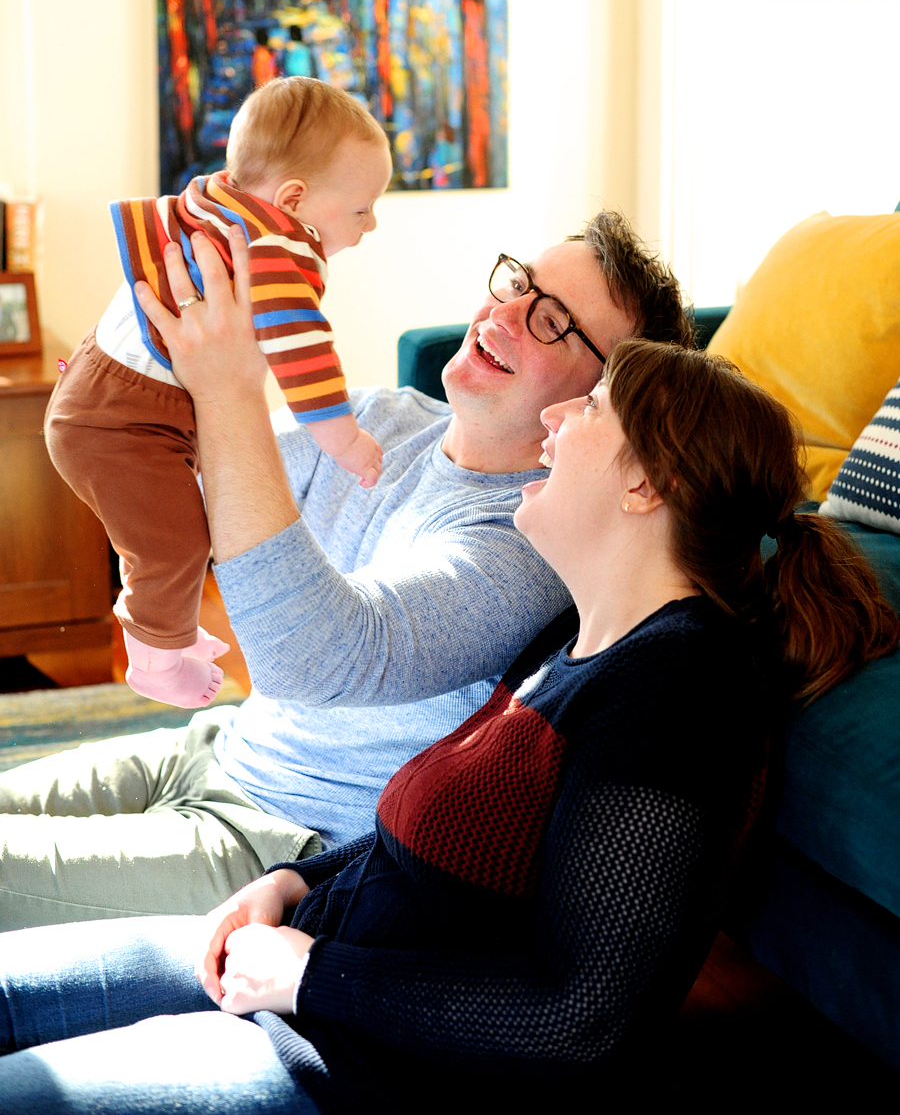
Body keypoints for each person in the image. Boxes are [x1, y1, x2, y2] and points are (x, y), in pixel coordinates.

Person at [2, 340, 895, 1112]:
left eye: (587, 405)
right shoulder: (576, 640)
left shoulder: (680, 693)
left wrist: (311, 976)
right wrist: (289, 879)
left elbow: (581, 1016)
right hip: (310, 964)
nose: (552, 419)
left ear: (646, 484)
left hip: (355, 1071)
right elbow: (434, 849)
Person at [0, 211, 691, 931]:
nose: (505, 311)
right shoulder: (381, 420)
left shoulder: (527, 551)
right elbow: (190, 491)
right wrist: (128, 400)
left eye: (551, 319)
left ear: (603, 399)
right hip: (213, 748)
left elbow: (308, 656)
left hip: (277, 842)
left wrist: (230, 389)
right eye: (519, 282)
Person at [44, 77, 391, 710]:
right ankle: (155, 658)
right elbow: (304, 354)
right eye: (362, 208)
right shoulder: (278, 248)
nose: (372, 224)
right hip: (123, 418)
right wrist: (345, 441)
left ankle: (169, 626)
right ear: (294, 198)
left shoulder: (218, 201)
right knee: (174, 543)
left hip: (101, 387)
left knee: (170, 524)